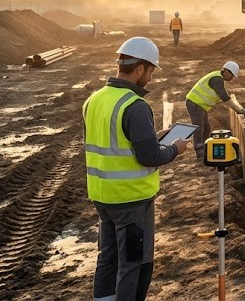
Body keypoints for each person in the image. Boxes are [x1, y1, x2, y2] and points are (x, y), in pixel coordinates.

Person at [83, 37, 190, 301]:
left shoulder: (94, 99)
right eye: (151, 71)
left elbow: (117, 139)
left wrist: (153, 135)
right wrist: (176, 149)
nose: (151, 78)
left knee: (107, 257)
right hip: (130, 199)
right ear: (140, 68)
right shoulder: (135, 105)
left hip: (102, 196)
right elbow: (150, 156)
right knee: (133, 263)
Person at [184, 62, 244, 159]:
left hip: (200, 105)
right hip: (195, 103)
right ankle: (199, 150)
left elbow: (224, 94)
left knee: (206, 127)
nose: (232, 78)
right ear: (227, 72)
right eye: (232, 75)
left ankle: (205, 147)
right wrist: (238, 110)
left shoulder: (218, 78)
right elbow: (224, 97)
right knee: (198, 127)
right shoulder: (217, 79)